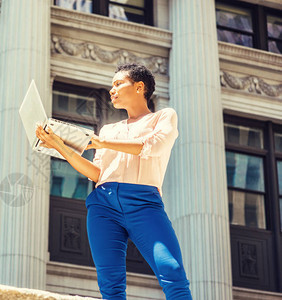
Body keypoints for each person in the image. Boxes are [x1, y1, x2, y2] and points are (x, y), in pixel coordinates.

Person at [36, 63, 192, 300]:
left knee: (172, 271)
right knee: (110, 284)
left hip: (143, 203)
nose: (112, 90)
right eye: (111, 85)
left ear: (139, 87)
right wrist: (59, 146)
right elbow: (97, 173)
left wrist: (101, 143)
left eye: (118, 84)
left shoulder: (164, 116)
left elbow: (153, 147)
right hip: (103, 205)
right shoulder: (108, 130)